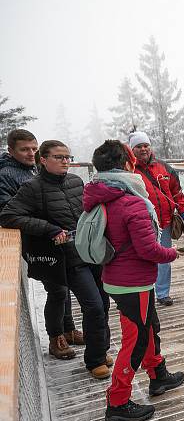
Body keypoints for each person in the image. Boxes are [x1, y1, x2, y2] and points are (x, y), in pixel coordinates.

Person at [84, 140, 184, 421]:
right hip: (133, 282)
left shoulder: (103, 195)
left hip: (119, 277)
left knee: (149, 325)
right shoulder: (130, 201)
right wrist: (171, 253)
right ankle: (117, 401)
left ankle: (158, 375)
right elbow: (148, 250)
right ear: (128, 165)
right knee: (136, 339)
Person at [0, 140, 111, 374]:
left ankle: (100, 349)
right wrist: (49, 229)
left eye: (68, 158)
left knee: (103, 302)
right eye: (59, 157)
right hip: (66, 257)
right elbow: (9, 215)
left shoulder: (75, 181)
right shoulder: (33, 187)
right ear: (43, 159)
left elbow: (87, 211)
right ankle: (95, 361)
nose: (65, 162)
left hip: (90, 251)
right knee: (92, 306)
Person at [129, 131, 184, 307]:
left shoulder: (163, 167)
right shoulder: (129, 170)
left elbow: (176, 190)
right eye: (139, 146)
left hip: (165, 221)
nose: (143, 149)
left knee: (164, 257)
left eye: (146, 145)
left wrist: (182, 210)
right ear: (132, 149)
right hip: (142, 223)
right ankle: (143, 291)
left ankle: (162, 293)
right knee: (142, 258)